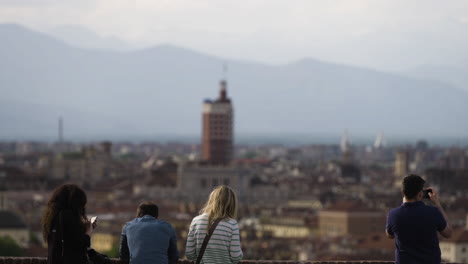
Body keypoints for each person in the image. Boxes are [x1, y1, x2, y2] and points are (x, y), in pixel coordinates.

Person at [386, 174, 452, 264]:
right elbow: (448, 233)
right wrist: (437, 204)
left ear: (403, 192)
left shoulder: (393, 214)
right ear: (420, 194)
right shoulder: (433, 213)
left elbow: (390, 235)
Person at [42, 184, 102, 264]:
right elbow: (81, 244)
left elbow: (69, 239)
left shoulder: (53, 216)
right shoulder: (67, 215)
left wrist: (83, 227)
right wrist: (88, 231)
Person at [185, 185, 243, 264]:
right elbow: (235, 257)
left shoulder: (196, 221)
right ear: (232, 204)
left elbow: (189, 254)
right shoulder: (232, 224)